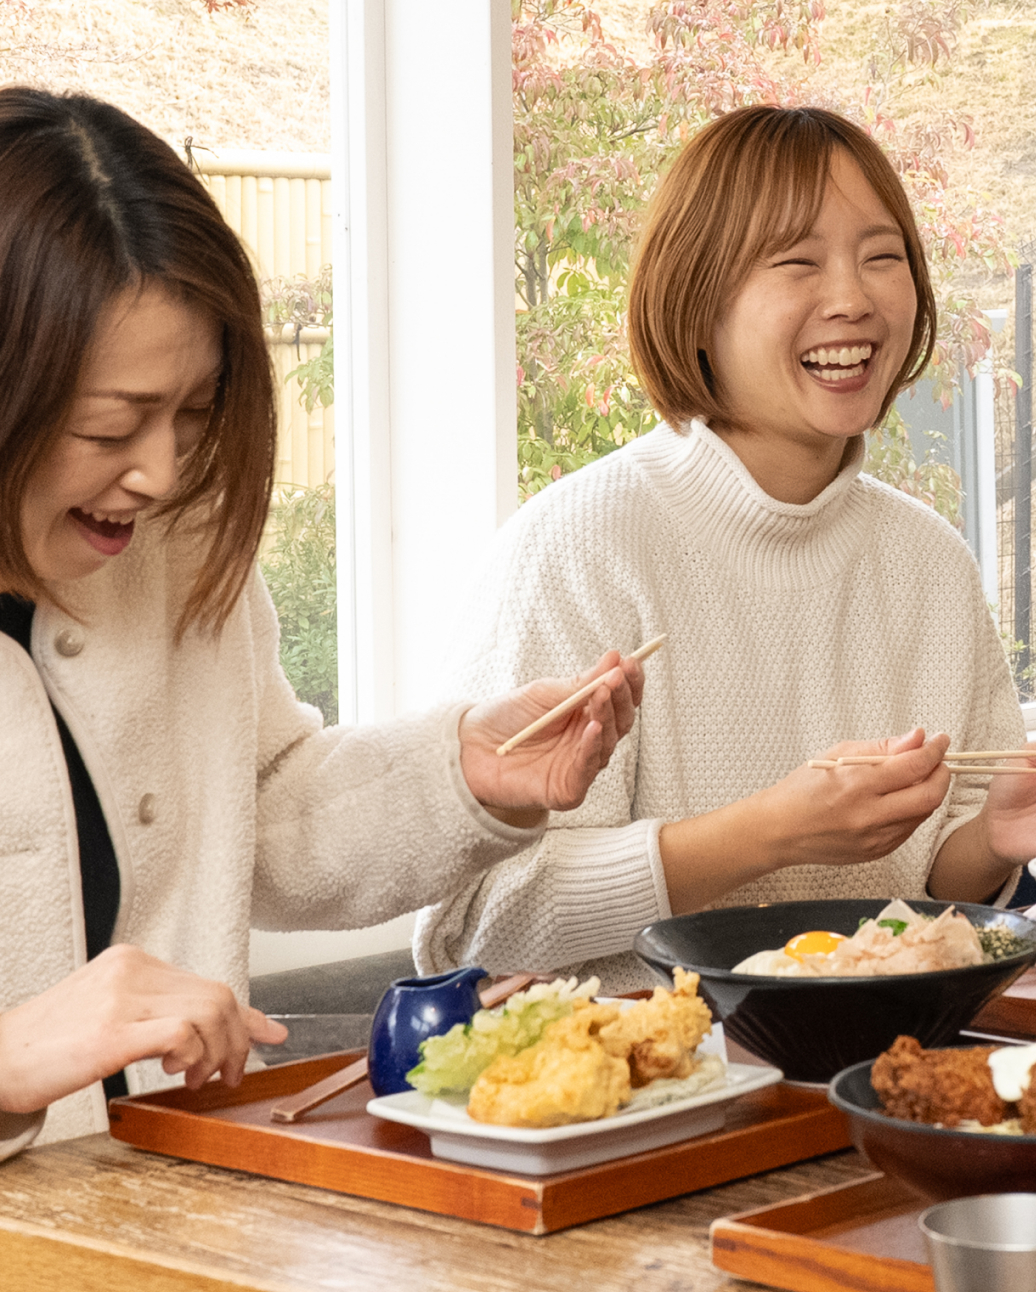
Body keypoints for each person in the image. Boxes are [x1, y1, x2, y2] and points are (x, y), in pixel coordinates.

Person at [0, 87, 644, 1159]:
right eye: (110, 426)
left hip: (163, 1196)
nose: (159, 472)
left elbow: (258, 807)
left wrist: (465, 775)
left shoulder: (176, 540)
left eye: (193, 414)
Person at [413, 104, 1034, 995]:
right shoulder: (583, 544)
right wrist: (770, 833)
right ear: (698, 302)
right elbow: (474, 923)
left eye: (882, 256)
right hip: (639, 1068)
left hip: (879, 1061)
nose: (853, 298)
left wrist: (995, 843)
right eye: (798, 262)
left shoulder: (928, 559)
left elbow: (935, 896)